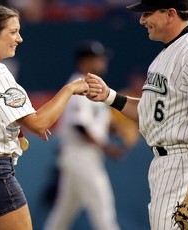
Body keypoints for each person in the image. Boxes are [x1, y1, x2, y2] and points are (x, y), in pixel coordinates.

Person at [85, 0, 188, 229]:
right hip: (168, 162)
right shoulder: (166, 54)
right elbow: (150, 114)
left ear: (171, 13)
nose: (142, 20)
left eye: (148, 13)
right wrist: (109, 96)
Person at [0, 5, 89, 230]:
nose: (19, 38)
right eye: (13, 32)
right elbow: (39, 122)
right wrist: (70, 89)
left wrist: (16, 124)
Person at [43, 40, 121, 230]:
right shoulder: (77, 85)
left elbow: (97, 120)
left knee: (64, 212)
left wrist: (115, 129)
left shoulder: (94, 86)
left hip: (82, 155)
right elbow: (80, 126)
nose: (103, 61)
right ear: (85, 62)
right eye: (99, 58)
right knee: (102, 205)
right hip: (79, 153)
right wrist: (107, 147)